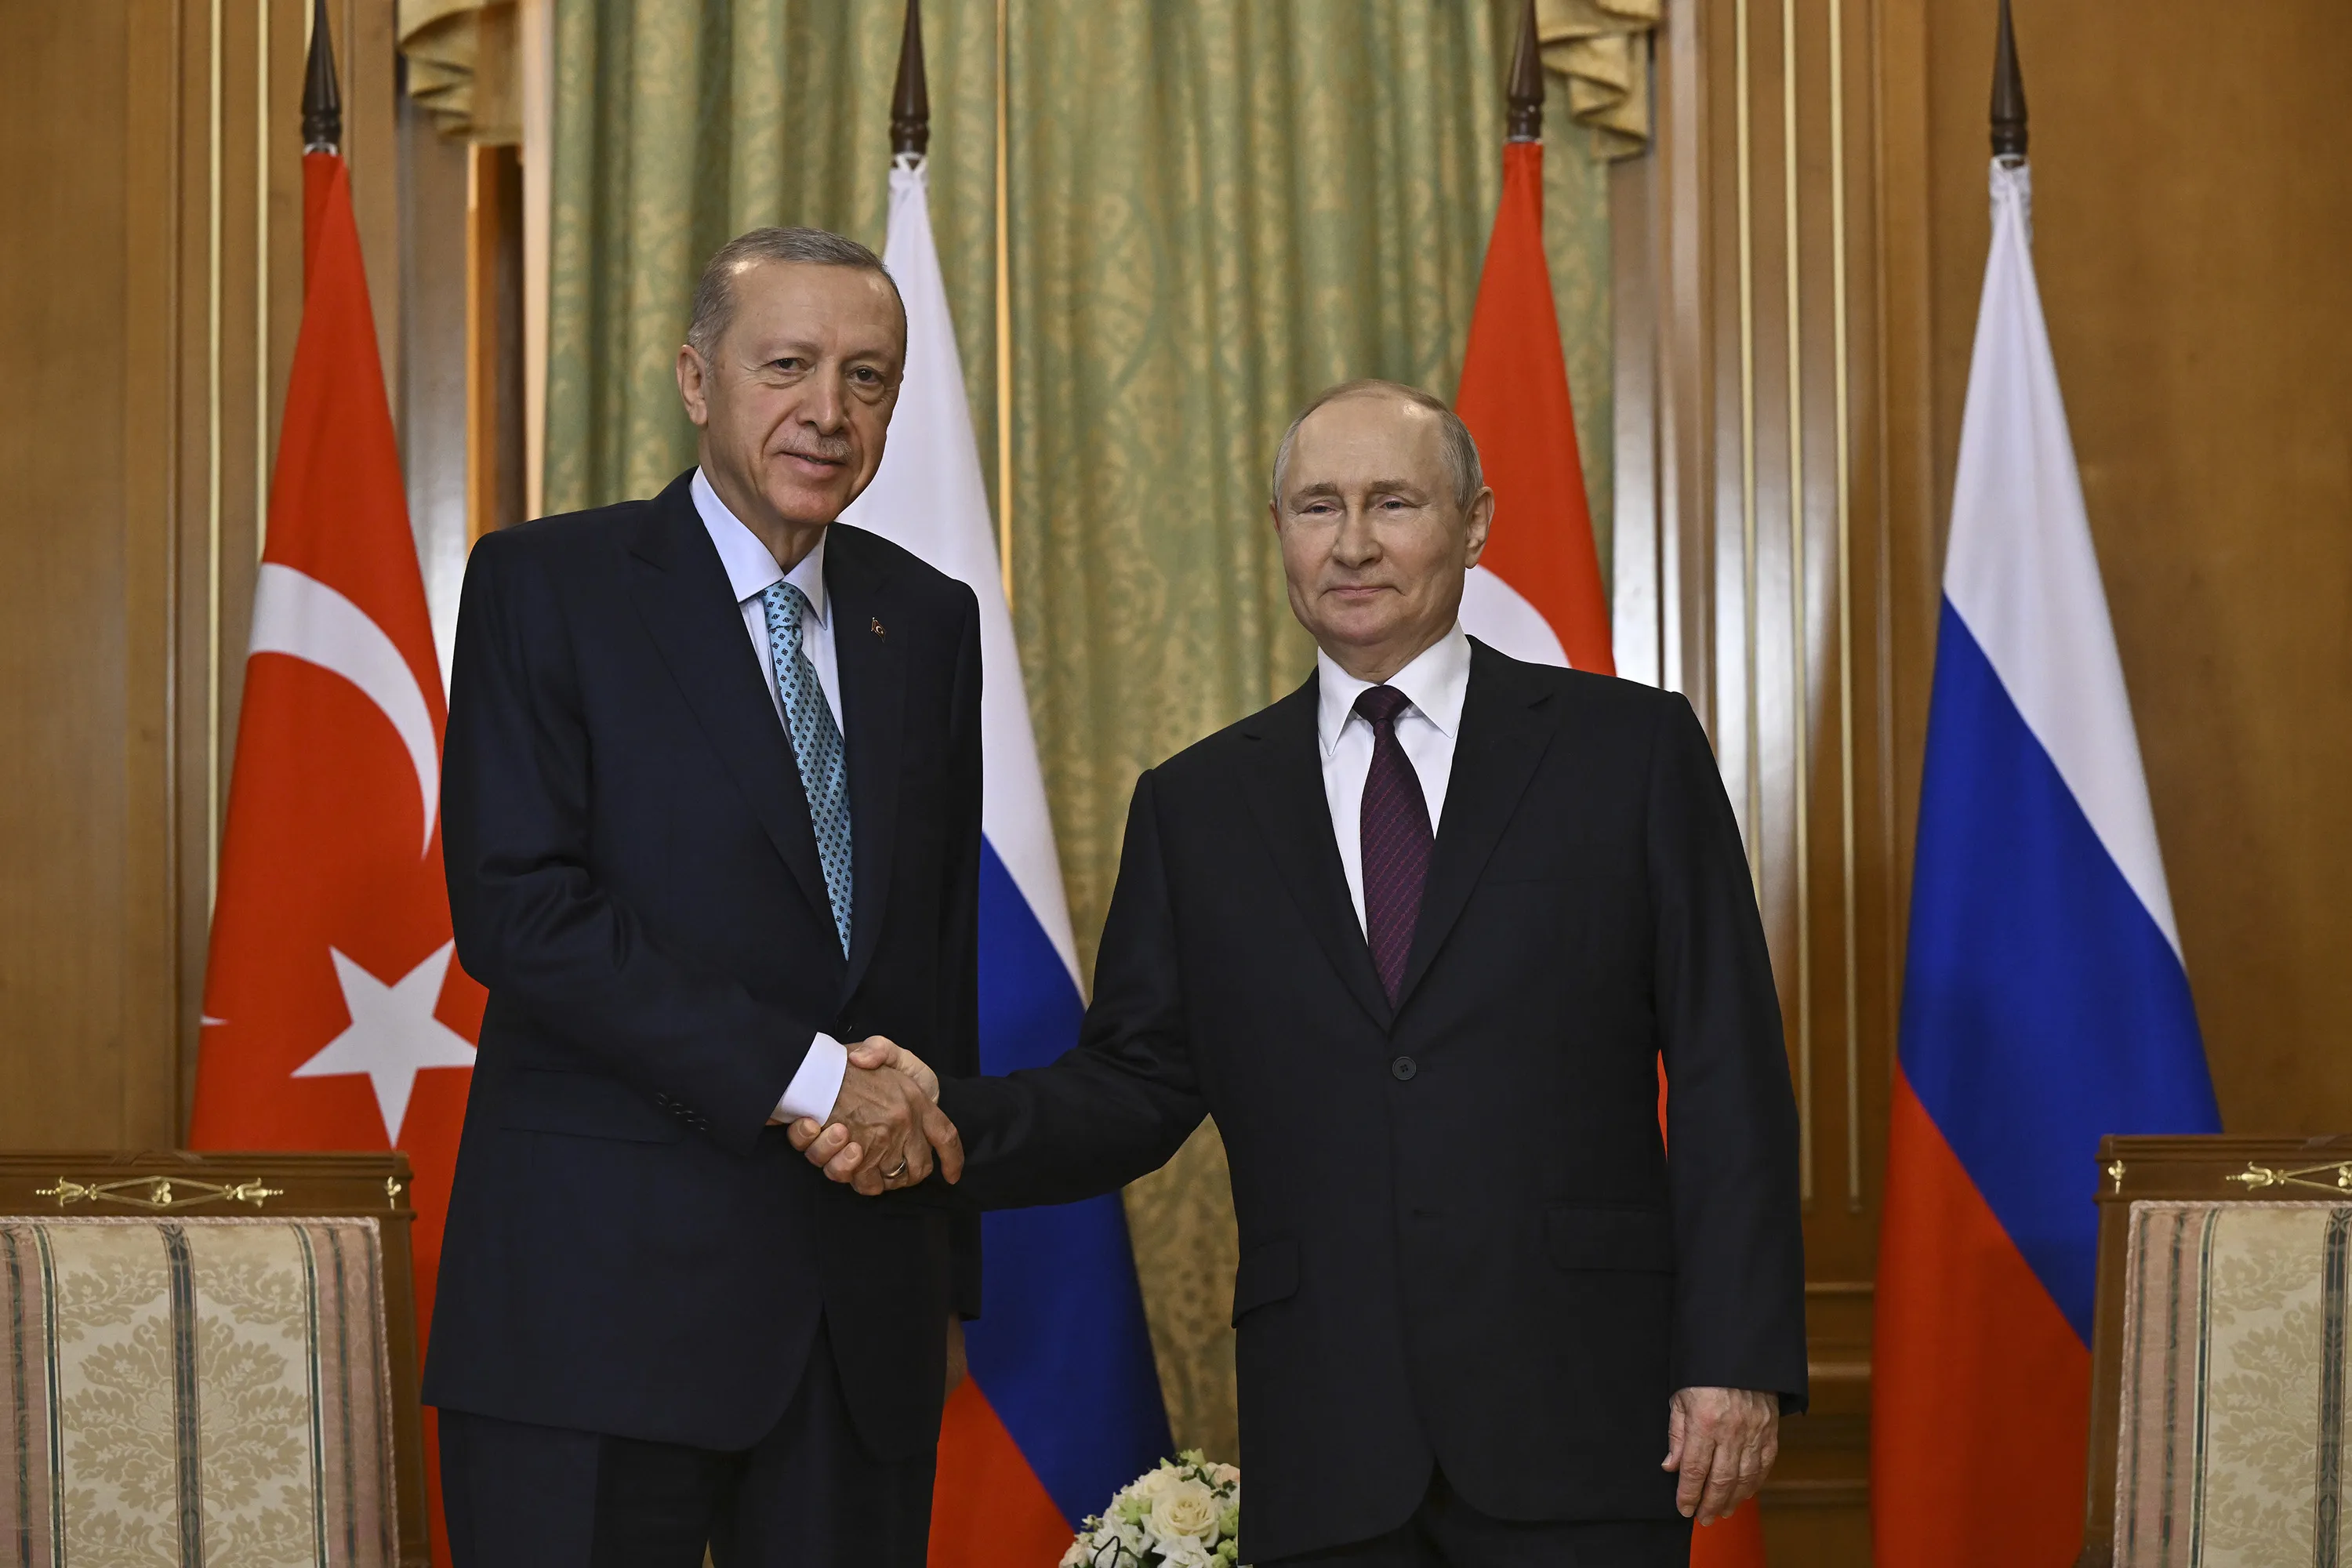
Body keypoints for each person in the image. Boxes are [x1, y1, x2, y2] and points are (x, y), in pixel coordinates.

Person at [795, 379, 1807, 1566]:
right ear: (1279, 531)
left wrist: (1735, 1358)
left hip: (1582, 1416)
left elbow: (1728, 1067)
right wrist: (939, 1121)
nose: (1355, 542)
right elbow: (1134, 1083)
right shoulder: (1201, 806)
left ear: (1476, 523)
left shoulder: (1628, 753)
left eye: (1394, 503)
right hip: (1331, 1443)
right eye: (1319, 507)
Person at [428, 227, 978, 1568]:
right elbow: (520, 911)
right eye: (785, 365)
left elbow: (932, 957)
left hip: (858, 1333)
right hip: (599, 1326)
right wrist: (808, 1077)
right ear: (695, 378)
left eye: (867, 377)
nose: (827, 413)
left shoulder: (931, 617)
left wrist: (936, 1250)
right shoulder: (544, 586)